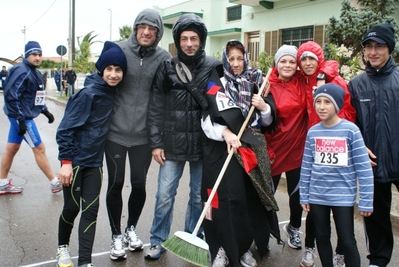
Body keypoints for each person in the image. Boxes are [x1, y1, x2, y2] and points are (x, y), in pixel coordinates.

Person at [145, 13, 220, 260]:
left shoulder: (213, 66)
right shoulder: (167, 66)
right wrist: (156, 142)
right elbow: (155, 106)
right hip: (172, 144)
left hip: (203, 144)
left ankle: (194, 236)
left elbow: (220, 103)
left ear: (202, 40)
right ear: (178, 41)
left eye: (194, 38)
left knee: (199, 197)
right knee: (164, 195)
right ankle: (157, 240)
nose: (189, 43)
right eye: (184, 38)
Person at [201, 39, 279, 267]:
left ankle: (245, 247)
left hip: (252, 148)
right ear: (225, 60)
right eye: (231, 58)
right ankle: (222, 249)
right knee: (226, 201)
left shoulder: (257, 82)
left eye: (239, 58)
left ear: (245, 59)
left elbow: (268, 120)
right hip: (225, 149)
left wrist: (263, 106)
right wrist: (225, 132)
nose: (235, 64)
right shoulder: (216, 84)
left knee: (249, 199)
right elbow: (206, 119)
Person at [104, 8, 171, 261]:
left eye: (152, 28)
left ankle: (131, 228)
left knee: (140, 184)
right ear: (135, 28)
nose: (146, 31)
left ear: (158, 33)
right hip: (115, 134)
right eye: (142, 26)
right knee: (116, 183)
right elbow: (99, 79)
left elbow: (168, 93)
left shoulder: (164, 58)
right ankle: (115, 235)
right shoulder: (117, 50)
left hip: (144, 136)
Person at [55, 41, 128, 267]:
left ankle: (85, 262)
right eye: (109, 69)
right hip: (75, 162)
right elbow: (65, 129)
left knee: (90, 211)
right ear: (101, 69)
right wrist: (66, 162)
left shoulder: (111, 92)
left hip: (95, 163)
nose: (114, 75)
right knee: (71, 207)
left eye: (118, 70)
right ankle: (62, 248)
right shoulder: (87, 94)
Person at [293, 40, 357, 267]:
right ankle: (309, 247)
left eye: (312, 58)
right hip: (311, 149)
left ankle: (340, 253)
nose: (308, 63)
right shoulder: (301, 81)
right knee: (313, 206)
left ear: (319, 59)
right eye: (304, 59)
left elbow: (348, 112)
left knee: (341, 211)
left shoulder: (334, 81)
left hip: (335, 150)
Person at [300, 83, 374, 267]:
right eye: (318, 102)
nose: (322, 106)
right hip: (317, 196)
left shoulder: (351, 131)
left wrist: (366, 200)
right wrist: (304, 194)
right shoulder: (313, 132)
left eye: (327, 102)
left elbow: (364, 168)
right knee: (322, 238)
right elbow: (307, 166)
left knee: (348, 241)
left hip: (343, 197)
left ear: (338, 106)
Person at [348, 23, 399, 267]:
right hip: (373, 162)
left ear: (390, 49)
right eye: (368, 47)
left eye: (379, 46)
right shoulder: (356, 84)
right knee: (376, 217)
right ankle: (378, 260)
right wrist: (359, 149)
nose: (373, 52)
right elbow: (350, 123)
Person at [0, 41, 61, 195]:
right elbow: (11, 95)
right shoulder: (21, 70)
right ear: (27, 55)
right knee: (39, 148)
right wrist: (20, 119)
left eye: (40, 54)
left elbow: (36, 96)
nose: (37, 57)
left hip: (21, 116)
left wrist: (45, 111)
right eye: (34, 54)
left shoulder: (35, 72)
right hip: (21, 117)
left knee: (12, 148)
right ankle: (55, 182)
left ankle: (2, 183)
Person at [264, 44, 308, 256]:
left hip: (297, 150)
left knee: (296, 195)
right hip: (273, 149)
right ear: (276, 64)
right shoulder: (266, 85)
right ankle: (261, 230)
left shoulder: (303, 83)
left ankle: (294, 228)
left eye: (292, 61)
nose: (288, 65)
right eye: (283, 61)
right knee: (266, 195)